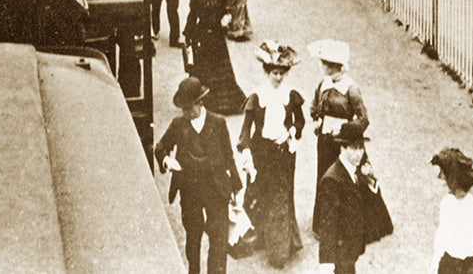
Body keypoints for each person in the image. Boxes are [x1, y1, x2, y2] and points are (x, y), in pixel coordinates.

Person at [155, 76, 242, 274]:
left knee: (218, 239)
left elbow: (228, 156)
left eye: (188, 108)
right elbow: (160, 147)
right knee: (193, 238)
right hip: (190, 189)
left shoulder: (218, 123)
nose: (185, 113)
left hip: (216, 188)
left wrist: (236, 187)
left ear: (200, 103)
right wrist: (167, 160)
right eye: (183, 108)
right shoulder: (178, 124)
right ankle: (193, 270)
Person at [238, 41, 305, 268]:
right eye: (275, 73)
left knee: (281, 196)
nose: (278, 78)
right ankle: (257, 236)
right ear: (267, 72)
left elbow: (300, 120)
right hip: (261, 152)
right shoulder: (257, 96)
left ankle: (279, 249)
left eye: (282, 74)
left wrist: (294, 131)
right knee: (258, 191)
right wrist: (246, 151)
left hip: (283, 153)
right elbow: (246, 129)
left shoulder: (291, 95)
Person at [312, 123, 393, 273]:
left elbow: (369, 202)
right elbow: (328, 225)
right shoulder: (332, 179)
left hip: (351, 248)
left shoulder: (354, 171)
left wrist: (371, 181)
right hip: (340, 253)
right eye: (354, 148)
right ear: (342, 148)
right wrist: (327, 264)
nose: (359, 153)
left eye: (361, 148)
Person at [308, 39, 369, 229]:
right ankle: (323, 223)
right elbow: (314, 107)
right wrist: (318, 121)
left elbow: (363, 119)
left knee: (343, 179)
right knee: (324, 177)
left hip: (342, 143)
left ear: (333, 66)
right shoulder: (324, 84)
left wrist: (345, 131)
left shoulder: (351, 89)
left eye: (323, 63)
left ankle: (345, 223)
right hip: (325, 140)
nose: (321, 66)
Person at [184, 0, 245, 116]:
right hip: (203, 40)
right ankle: (203, 102)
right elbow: (191, 20)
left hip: (218, 40)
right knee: (204, 71)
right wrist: (188, 40)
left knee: (222, 71)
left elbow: (227, 12)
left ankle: (226, 105)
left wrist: (227, 18)